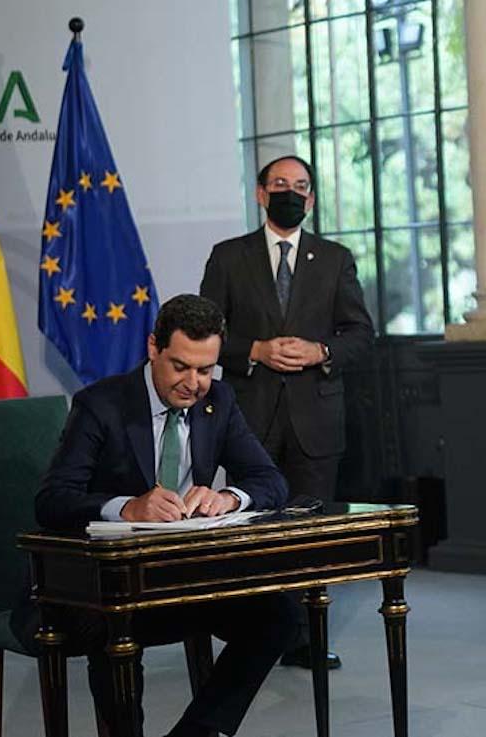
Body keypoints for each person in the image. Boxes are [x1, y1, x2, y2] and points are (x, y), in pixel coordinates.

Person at [35, 294, 298, 737]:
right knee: (113, 625)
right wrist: (127, 508)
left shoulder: (219, 401)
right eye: (180, 366)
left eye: (205, 369)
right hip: (106, 586)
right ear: (153, 347)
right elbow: (52, 500)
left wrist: (229, 497)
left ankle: (197, 732)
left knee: (281, 615)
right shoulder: (101, 404)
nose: (193, 383)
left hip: (186, 578)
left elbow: (270, 481)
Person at [200, 154, 374, 669]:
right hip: (248, 417)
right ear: (260, 193)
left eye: (300, 186)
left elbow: (361, 335)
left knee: (309, 534)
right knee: (253, 527)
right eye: (280, 184)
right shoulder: (229, 256)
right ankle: (256, 634)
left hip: (315, 420)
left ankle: (305, 640)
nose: (290, 193)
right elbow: (207, 333)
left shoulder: (336, 258)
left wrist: (321, 352)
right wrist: (254, 350)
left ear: (312, 198)